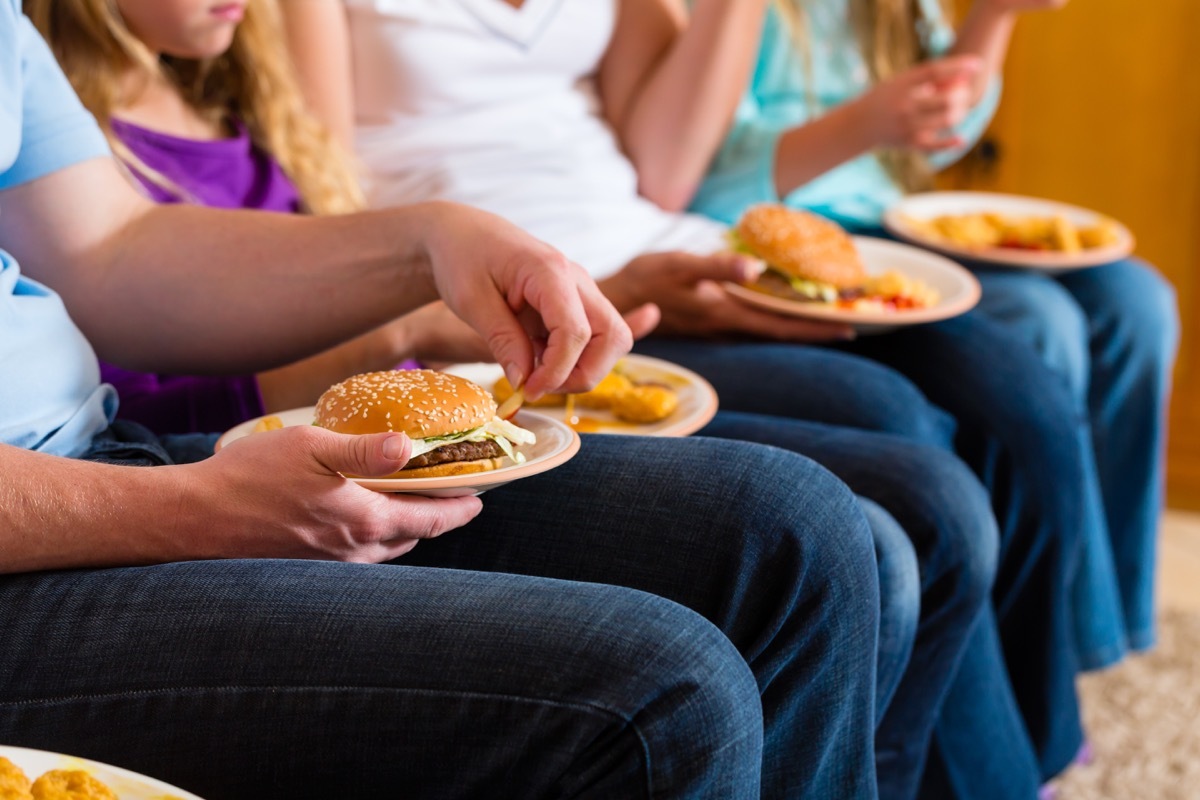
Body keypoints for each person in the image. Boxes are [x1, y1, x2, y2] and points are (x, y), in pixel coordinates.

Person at [0, 2, 886, 797]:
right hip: (47, 545)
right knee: (662, 687)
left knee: (794, 530)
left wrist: (433, 239)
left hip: (102, 454)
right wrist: (181, 509)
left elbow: (108, 252)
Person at [280, 0, 1105, 792]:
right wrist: (547, 298)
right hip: (523, 302)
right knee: (906, 445)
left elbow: (666, 172)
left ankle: (1015, 757)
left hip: (663, 246)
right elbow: (321, 190)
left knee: (1003, 377)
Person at [687, 0, 1180, 691]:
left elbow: (943, 134)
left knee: (1138, 303)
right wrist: (864, 123)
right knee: (1042, 323)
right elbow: (703, 180)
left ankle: (1096, 630)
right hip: (802, 236)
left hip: (901, 221)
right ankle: (1040, 654)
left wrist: (996, 15)